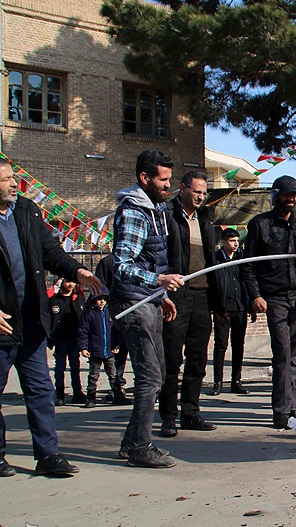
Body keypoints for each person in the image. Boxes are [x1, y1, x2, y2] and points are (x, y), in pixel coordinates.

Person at [0, 156, 102, 477]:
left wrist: (79, 270)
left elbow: (52, 252)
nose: (15, 184)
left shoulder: (27, 212)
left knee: (41, 391)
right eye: (6, 179)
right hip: (1, 322)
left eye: (13, 177)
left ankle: (47, 455)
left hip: (31, 322)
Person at [110, 149, 182, 468]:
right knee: (150, 377)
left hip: (149, 299)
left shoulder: (156, 209)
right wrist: (159, 280)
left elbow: (148, 257)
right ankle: (140, 446)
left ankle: (131, 441)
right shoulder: (134, 212)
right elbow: (121, 264)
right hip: (132, 302)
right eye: (163, 179)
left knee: (159, 373)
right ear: (145, 178)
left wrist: (160, 294)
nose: (168, 185)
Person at [242, 175, 296, 429]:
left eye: (294, 195)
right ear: (276, 196)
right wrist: (255, 295)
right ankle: (282, 412)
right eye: (286, 195)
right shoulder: (260, 225)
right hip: (273, 297)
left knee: (295, 354)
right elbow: (247, 266)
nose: (291, 199)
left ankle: (293, 407)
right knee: (283, 354)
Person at [158, 171, 220, 437]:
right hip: (177, 296)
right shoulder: (167, 217)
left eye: (204, 193)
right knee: (172, 360)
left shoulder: (205, 220)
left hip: (202, 296)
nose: (200, 197)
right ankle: (168, 416)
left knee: (198, 359)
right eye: (196, 192)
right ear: (182, 189)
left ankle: (191, 412)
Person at [211, 228, 250, 396]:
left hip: (239, 307)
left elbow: (247, 281)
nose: (235, 244)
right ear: (223, 242)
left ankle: (236, 380)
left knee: (238, 345)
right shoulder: (217, 259)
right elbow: (214, 284)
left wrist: (249, 305)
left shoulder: (241, 259)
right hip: (223, 308)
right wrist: (216, 306)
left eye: (236, 241)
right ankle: (218, 381)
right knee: (221, 345)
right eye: (232, 241)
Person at [77, 286, 122, 407]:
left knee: (113, 374)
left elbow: (117, 330)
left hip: (109, 349)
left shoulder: (111, 312)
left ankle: (118, 395)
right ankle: (90, 397)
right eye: (99, 299)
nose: (102, 301)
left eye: (104, 299)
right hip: (95, 350)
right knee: (93, 375)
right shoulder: (88, 314)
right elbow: (83, 332)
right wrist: (83, 348)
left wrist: (117, 344)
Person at [94, 253, 129, 403]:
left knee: (139, 353)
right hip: (115, 314)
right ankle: (117, 386)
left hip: (134, 311)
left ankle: (142, 387)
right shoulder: (107, 262)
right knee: (117, 353)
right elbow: (100, 288)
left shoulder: (137, 259)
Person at [48, 279, 86, 406]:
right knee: (60, 367)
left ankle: (77, 392)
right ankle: (59, 394)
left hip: (74, 338)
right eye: (68, 282)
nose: (71, 285)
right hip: (60, 338)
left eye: (73, 282)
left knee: (75, 366)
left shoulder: (78, 298)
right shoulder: (55, 299)